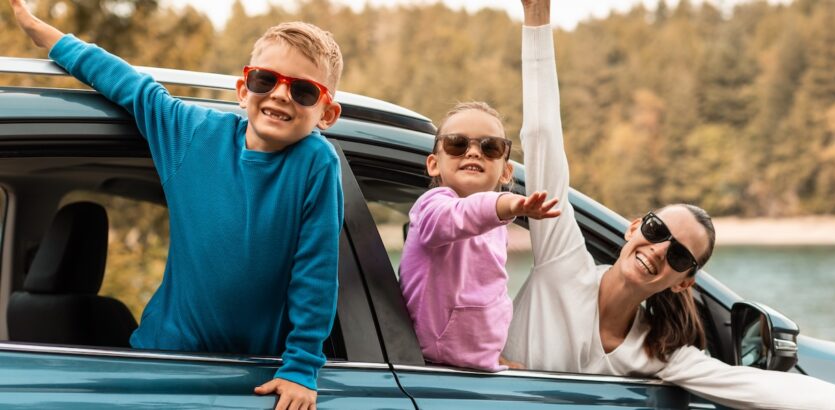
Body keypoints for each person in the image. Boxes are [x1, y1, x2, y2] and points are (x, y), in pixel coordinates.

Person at [503, 1, 835, 409]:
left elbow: (760, 388)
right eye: (658, 230)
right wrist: (537, 17)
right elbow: (543, 142)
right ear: (632, 228)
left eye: (679, 255)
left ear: (683, 282)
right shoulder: (561, 261)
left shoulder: (658, 353)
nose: (660, 249)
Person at [10, 1, 343, 408]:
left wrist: (300, 366)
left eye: (303, 90)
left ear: (326, 113)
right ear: (243, 90)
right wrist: (40, 31)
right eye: (264, 80)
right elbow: (128, 83)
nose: (280, 94)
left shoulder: (316, 162)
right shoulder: (193, 134)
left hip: (249, 375)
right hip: (159, 362)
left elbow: (316, 271)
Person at [399, 101, 560, 371]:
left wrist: (494, 356)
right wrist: (505, 204)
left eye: (490, 147)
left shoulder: (495, 226)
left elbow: (490, 296)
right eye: (457, 144)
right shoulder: (432, 206)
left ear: (506, 171)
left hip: (475, 370)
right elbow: (458, 217)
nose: (473, 152)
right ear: (433, 164)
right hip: (435, 368)